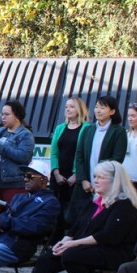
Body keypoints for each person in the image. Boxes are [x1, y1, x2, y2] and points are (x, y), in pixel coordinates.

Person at [15, 161, 137, 273]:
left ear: (115, 181)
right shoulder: (95, 202)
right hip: (85, 249)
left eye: (101, 177)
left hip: (112, 252)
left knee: (70, 255)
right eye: (95, 176)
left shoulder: (124, 205)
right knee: (46, 259)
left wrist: (72, 245)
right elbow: (75, 228)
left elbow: (107, 237)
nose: (95, 180)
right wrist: (64, 242)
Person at [0, 100, 35, 239]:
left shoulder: (25, 135)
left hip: (14, 184)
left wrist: (0, 146)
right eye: (2, 114)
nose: (3, 117)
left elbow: (23, 157)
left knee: (12, 216)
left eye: (7, 114)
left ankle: (9, 247)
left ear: (17, 116)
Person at [70, 95, 127, 226]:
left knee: (98, 219)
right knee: (77, 219)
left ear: (112, 111)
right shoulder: (88, 129)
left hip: (106, 185)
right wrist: (83, 179)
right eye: (96, 107)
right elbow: (79, 156)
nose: (98, 110)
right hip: (84, 185)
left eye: (103, 107)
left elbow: (117, 159)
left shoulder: (119, 132)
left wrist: (99, 181)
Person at [49, 97, 92, 232]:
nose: (68, 109)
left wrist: (76, 174)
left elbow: (87, 154)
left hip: (76, 177)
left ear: (80, 109)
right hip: (58, 176)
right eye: (66, 106)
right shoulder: (60, 128)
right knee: (56, 210)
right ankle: (54, 240)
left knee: (73, 212)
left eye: (72, 106)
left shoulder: (88, 128)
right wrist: (56, 173)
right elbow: (54, 152)